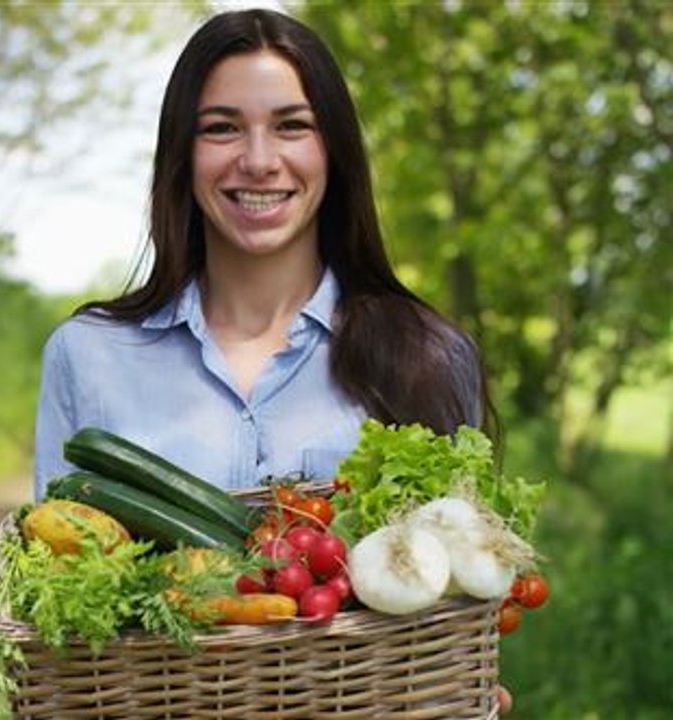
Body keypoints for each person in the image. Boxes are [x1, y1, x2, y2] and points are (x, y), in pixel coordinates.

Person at [31, 8, 511, 714]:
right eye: (221, 127)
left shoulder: (429, 355)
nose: (258, 160)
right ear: (181, 153)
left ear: (333, 151)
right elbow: (53, 602)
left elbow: (467, 601)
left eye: (291, 125)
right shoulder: (89, 356)